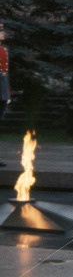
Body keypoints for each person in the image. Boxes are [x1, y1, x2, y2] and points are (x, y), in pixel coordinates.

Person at [0, 22, 10, 168]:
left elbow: (5, 74)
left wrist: (7, 93)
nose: (3, 34)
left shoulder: (3, 49)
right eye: (0, 32)